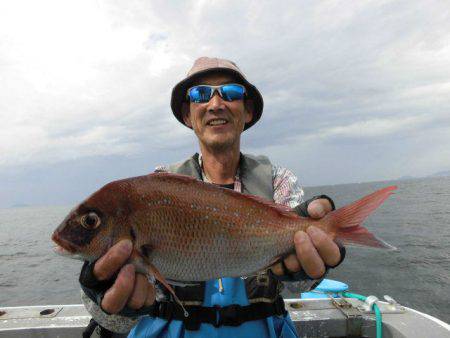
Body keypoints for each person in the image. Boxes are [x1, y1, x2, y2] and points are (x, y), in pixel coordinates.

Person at [79, 57, 345, 338]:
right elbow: (122, 317)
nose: (216, 104)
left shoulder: (278, 182)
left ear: (248, 112)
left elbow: (296, 288)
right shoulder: (158, 186)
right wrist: (104, 297)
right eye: (200, 94)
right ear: (187, 115)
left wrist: (312, 269)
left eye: (231, 93)